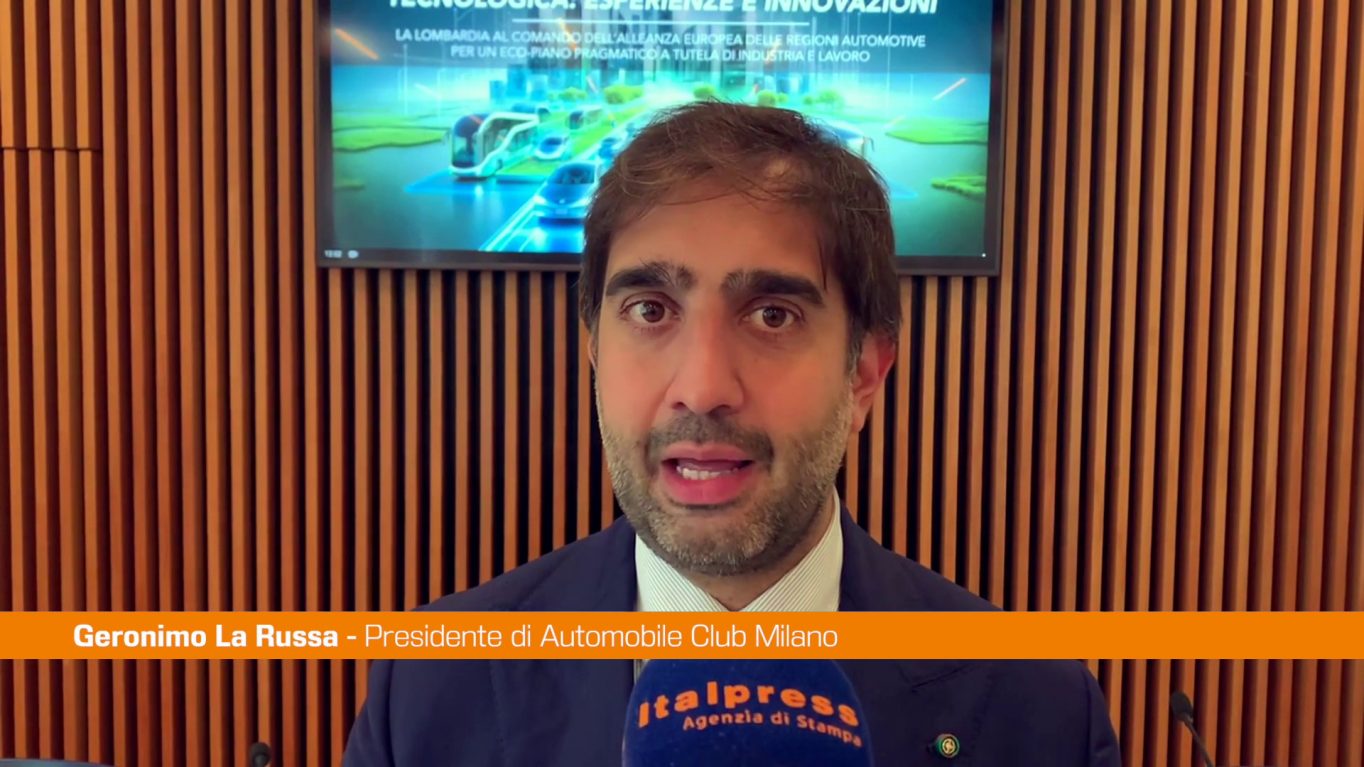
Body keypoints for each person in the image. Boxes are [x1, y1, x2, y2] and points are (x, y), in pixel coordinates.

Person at [343, 102, 1120, 766]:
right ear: (593, 353)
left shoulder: (1041, 709)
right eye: (651, 310)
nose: (704, 386)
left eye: (772, 315)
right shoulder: (429, 688)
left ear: (864, 375)